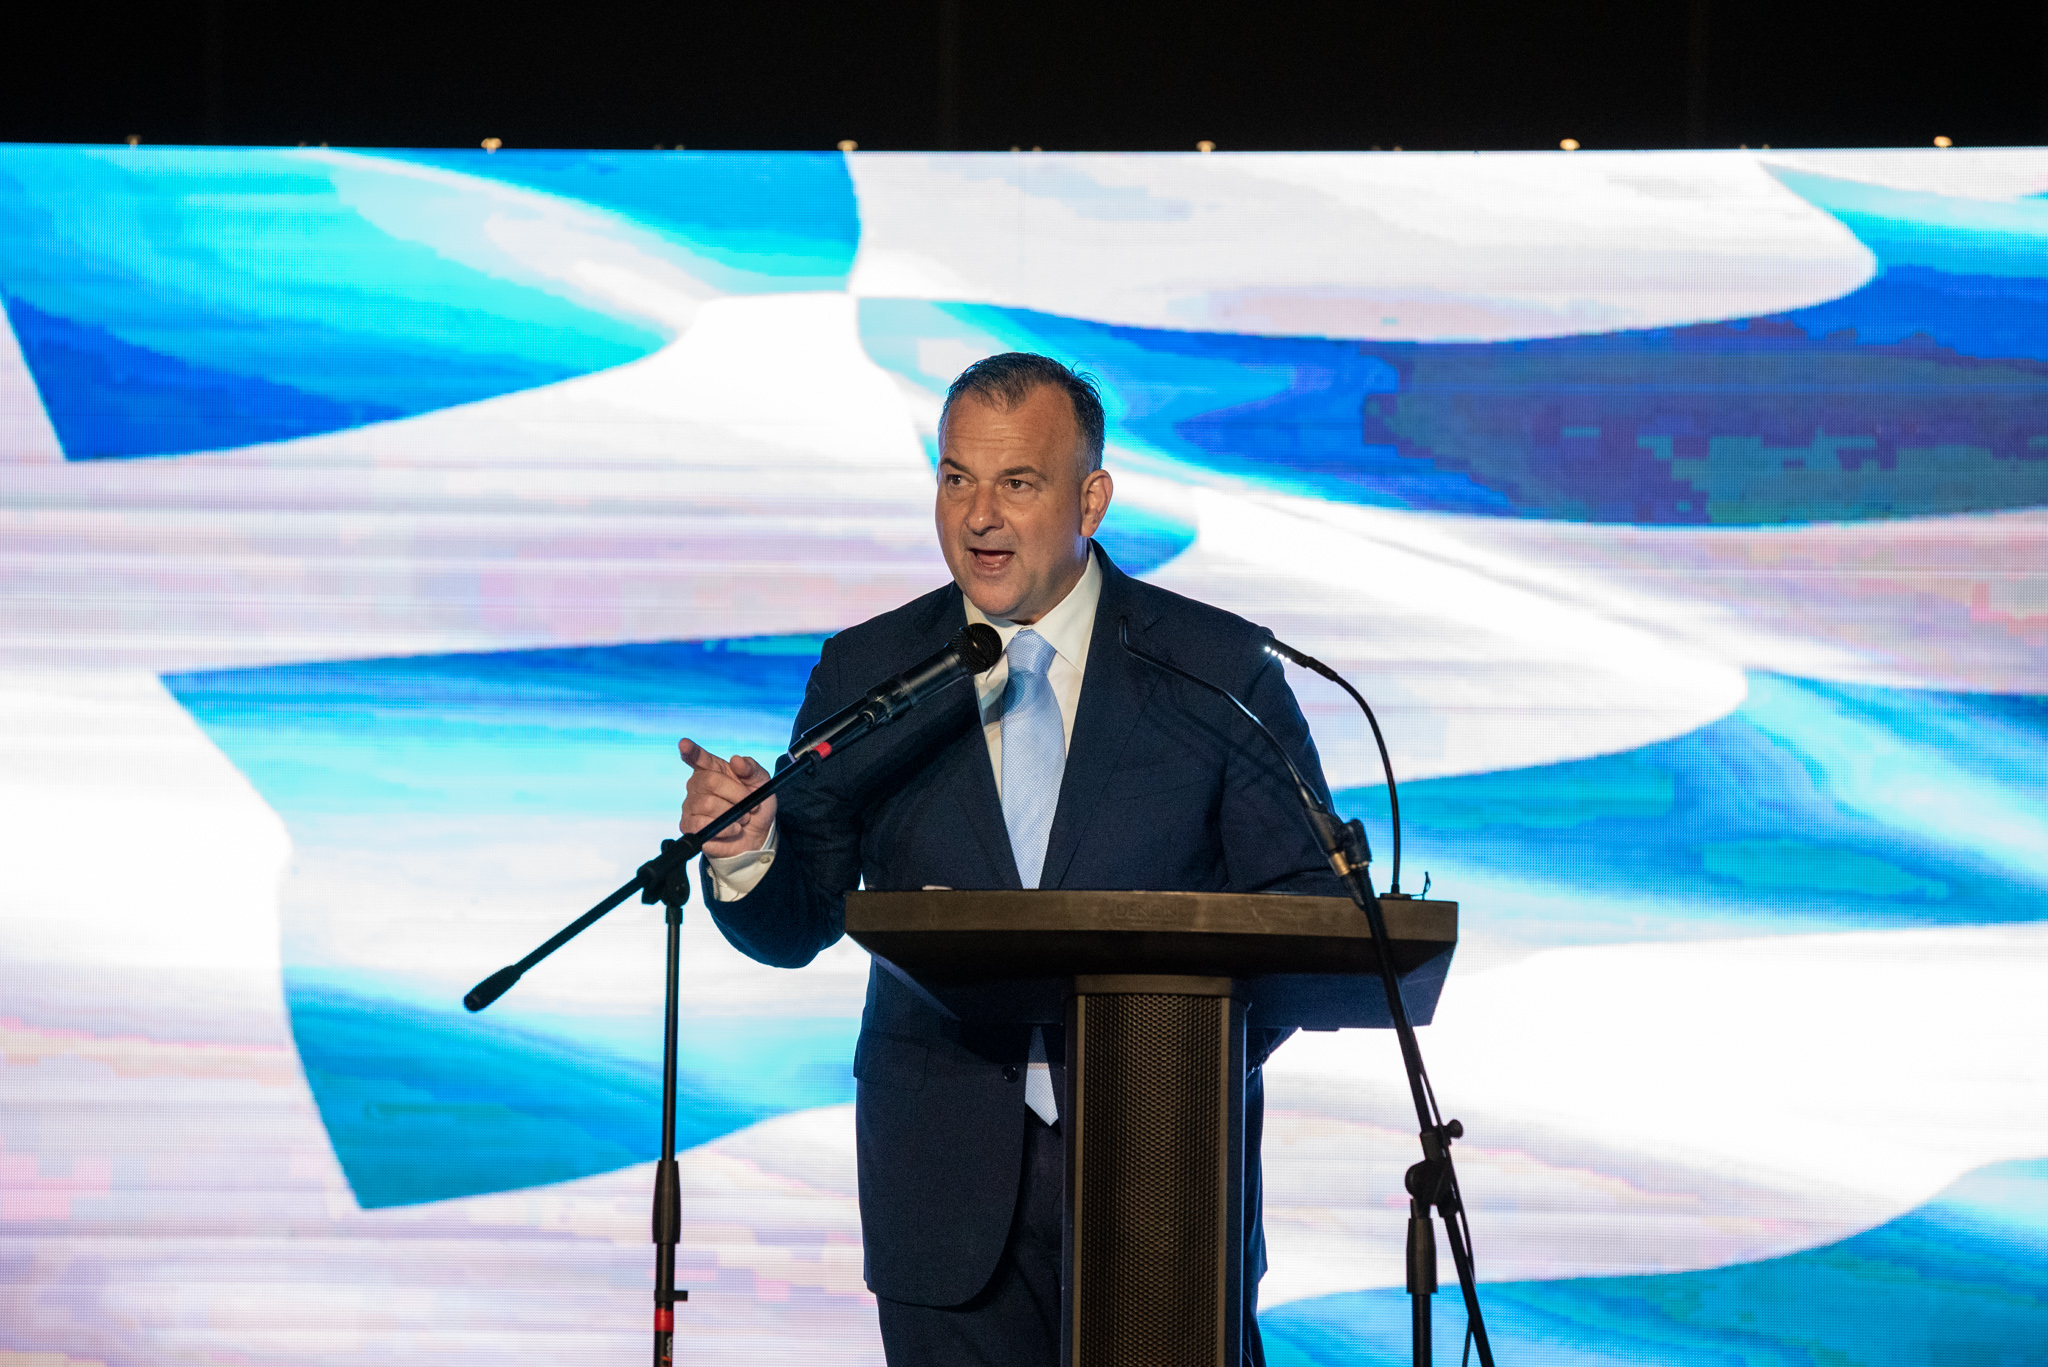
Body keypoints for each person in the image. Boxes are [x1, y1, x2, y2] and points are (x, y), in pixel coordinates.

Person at [676, 353, 1345, 1366]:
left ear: (1091, 499)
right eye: (956, 479)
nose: (979, 516)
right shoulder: (870, 671)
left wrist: (1178, 1062)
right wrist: (747, 849)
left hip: (1163, 1181)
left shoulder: (1215, 669)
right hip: (939, 1183)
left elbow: (1304, 912)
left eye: (1017, 483)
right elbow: (799, 915)